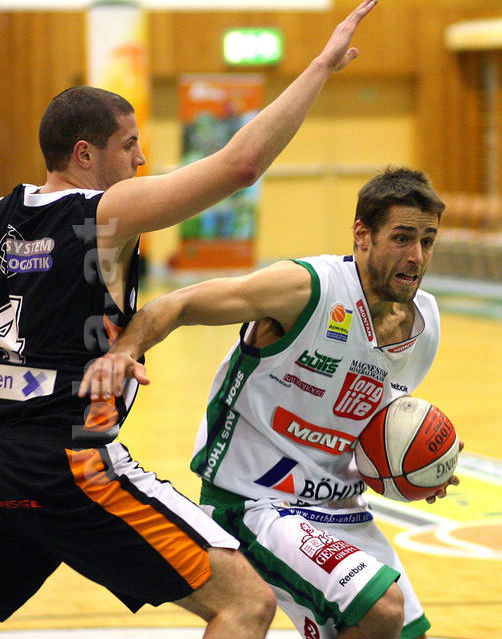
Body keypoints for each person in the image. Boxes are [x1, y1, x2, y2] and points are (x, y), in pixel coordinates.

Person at [0, 0, 379, 635]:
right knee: (246, 603)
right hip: (70, 464)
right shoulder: (100, 214)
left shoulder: (6, 219)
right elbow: (238, 166)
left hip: (9, 461)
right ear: (85, 154)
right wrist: (319, 66)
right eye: (130, 145)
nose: (141, 160)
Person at [79, 165, 463, 639]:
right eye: (402, 238)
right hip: (255, 501)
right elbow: (181, 304)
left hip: (340, 505)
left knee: (405, 631)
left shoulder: (425, 323)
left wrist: (422, 465)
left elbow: (378, 424)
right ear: (362, 235)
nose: (417, 256)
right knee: (381, 610)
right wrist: (123, 351)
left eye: (427, 240)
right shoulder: (308, 289)